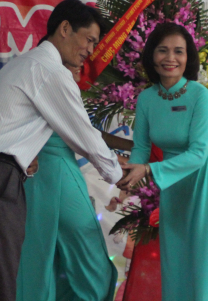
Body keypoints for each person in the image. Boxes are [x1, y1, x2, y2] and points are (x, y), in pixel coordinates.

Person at [0, 0, 123, 301]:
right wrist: (119, 175)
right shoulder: (49, 70)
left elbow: (8, 126)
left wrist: (26, 156)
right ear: (65, 28)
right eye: (89, 40)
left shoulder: (21, 64)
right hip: (0, 178)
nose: (90, 50)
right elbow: (85, 136)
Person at [116, 22, 208, 301]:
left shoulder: (200, 95)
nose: (170, 58)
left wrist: (148, 169)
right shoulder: (147, 99)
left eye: (178, 51)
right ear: (151, 55)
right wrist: (130, 175)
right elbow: (141, 147)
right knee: (177, 266)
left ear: (188, 57)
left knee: (206, 268)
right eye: (163, 50)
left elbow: (199, 153)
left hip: (205, 185)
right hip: (174, 190)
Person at [17, 63, 130, 301]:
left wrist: (133, 148)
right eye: (80, 53)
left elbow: (89, 133)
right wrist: (124, 160)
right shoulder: (52, 84)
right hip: (54, 175)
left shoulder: (38, 83)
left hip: (37, 181)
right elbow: (87, 137)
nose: (85, 58)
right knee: (86, 266)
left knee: (45, 260)